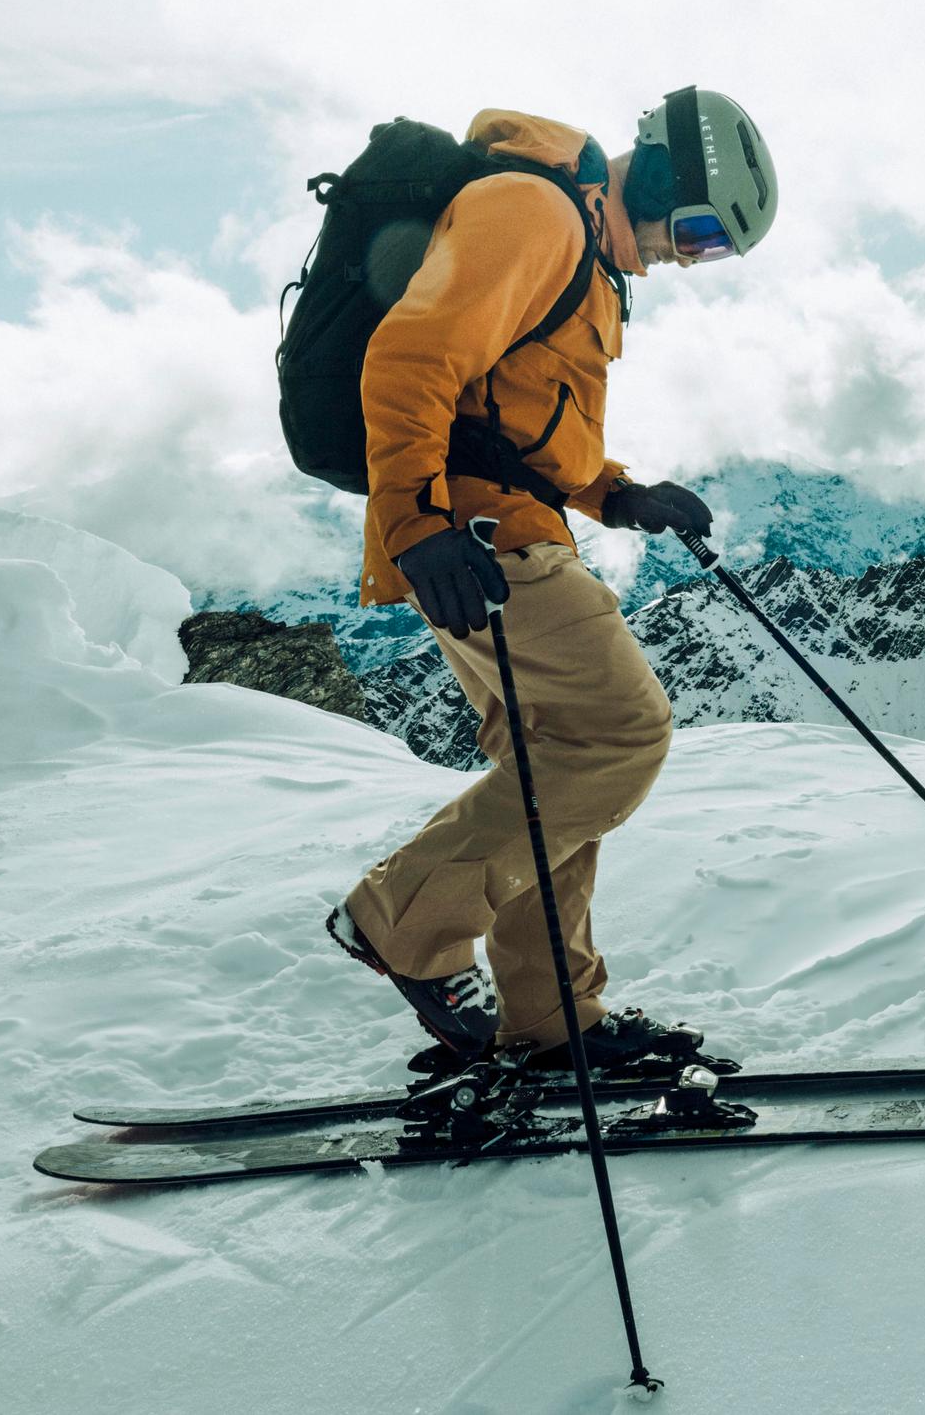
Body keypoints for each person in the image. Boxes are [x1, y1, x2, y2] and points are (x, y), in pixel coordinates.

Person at [325, 87, 778, 1074]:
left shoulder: (586, 253)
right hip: (475, 543)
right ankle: (405, 920)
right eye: (694, 229)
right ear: (655, 175)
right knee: (621, 734)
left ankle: (549, 1020)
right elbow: (409, 356)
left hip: (501, 530)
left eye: (711, 253)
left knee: (554, 763)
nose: (685, 257)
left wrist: (617, 495)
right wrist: (417, 527)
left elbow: (522, 418)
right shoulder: (531, 214)